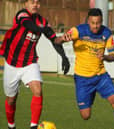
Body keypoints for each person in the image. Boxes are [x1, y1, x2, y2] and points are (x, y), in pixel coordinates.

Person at [0, 0, 70, 129]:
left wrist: (64, 56)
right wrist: (45, 30)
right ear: (25, 4)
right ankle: (11, 125)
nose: (35, 5)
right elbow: (30, 26)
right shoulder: (22, 15)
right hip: (12, 63)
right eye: (32, 2)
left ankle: (33, 126)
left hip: (29, 62)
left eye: (37, 2)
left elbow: (54, 39)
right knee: (11, 99)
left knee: (37, 90)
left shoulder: (42, 21)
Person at [57, 8, 114, 129]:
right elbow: (57, 41)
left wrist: (105, 57)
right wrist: (63, 39)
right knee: (85, 115)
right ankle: (91, 94)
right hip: (82, 79)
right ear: (88, 21)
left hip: (101, 76)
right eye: (93, 23)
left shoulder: (106, 33)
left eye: (98, 23)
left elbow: (113, 56)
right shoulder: (77, 31)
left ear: (102, 21)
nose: (95, 26)